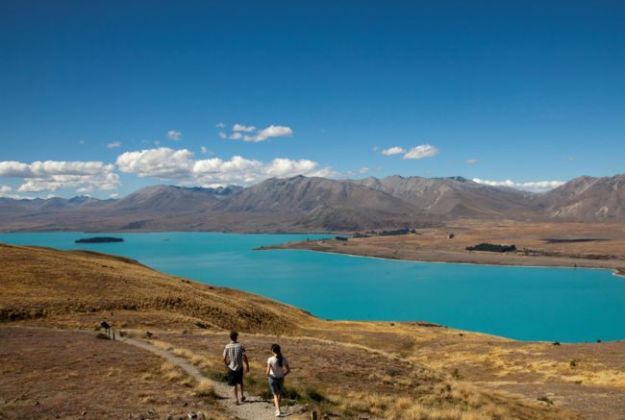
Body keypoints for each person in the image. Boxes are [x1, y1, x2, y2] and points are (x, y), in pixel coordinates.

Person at [223, 331, 249, 404]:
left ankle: (236, 399)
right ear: (236, 337)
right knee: (240, 382)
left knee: (234, 384)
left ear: (230, 337)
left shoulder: (227, 346)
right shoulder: (241, 346)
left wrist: (227, 364)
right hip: (239, 366)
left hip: (231, 367)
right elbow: (244, 356)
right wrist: (247, 365)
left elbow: (224, 358)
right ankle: (242, 395)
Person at [266, 343, 290, 417]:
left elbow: (267, 372)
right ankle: (278, 408)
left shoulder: (270, 359)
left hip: (272, 378)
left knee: (275, 395)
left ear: (272, 350)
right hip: (280, 378)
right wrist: (283, 375)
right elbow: (288, 370)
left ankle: (278, 410)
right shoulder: (284, 359)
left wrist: (268, 376)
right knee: (279, 394)